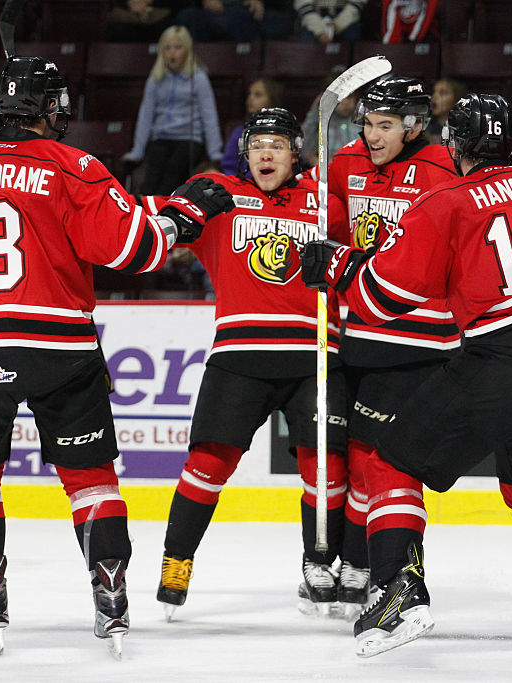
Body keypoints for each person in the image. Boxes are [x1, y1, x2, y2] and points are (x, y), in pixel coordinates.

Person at [0, 54, 234, 657]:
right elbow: (134, 248)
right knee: (89, 477)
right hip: (59, 343)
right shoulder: (73, 165)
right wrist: (184, 215)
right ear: (47, 108)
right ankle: (109, 592)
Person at [300, 96, 512, 657]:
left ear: (454, 147)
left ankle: (397, 591)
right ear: (509, 143)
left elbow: (383, 296)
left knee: (391, 462)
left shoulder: (447, 201)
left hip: (500, 360)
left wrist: (334, 265)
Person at [150, 108, 350, 619]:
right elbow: (148, 230)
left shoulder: (324, 200)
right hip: (238, 354)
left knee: (323, 466)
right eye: (257, 144)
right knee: (207, 466)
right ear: (245, 153)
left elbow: (366, 252)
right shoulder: (215, 193)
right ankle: (177, 562)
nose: (266, 153)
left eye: (277, 145)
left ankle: (318, 561)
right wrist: (184, 208)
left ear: (296, 152)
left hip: (314, 354)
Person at [314, 75, 461, 620]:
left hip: (422, 344)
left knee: (389, 467)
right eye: (367, 124)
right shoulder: (347, 162)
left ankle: (392, 579)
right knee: (357, 464)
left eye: (385, 125)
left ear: (415, 125)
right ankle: (361, 568)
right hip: (360, 339)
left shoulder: (446, 171)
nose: (372, 135)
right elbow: (326, 226)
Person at [123, 26, 224, 196]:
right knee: (151, 178)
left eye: (177, 47)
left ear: (187, 50)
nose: (172, 53)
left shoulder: (198, 78)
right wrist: (137, 150)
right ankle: (143, 212)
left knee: (173, 173)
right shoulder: (155, 79)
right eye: (167, 48)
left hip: (189, 139)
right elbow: (145, 115)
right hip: (162, 138)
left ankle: (162, 213)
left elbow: (209, 115)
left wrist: (215, 151)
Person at [219, 78, 284, 175]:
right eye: (249, 94)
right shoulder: (240, 132)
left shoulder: (284, 132)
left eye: (258, 95)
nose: (250, 98)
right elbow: (229, 167)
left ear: (272, 99)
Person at [176, 0, 294, 42]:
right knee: (186, 17)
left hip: (244, 10)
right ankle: (197, 72)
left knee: (242, 15)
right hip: (211, 14)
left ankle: (246, 74)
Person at [295, 0, 368, 43]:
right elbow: (304, 6)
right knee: (307, 41)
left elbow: (357, 3)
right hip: (315, 16)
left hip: (345, 15)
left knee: (353, 37)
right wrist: (319, 31)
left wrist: (339, 24)